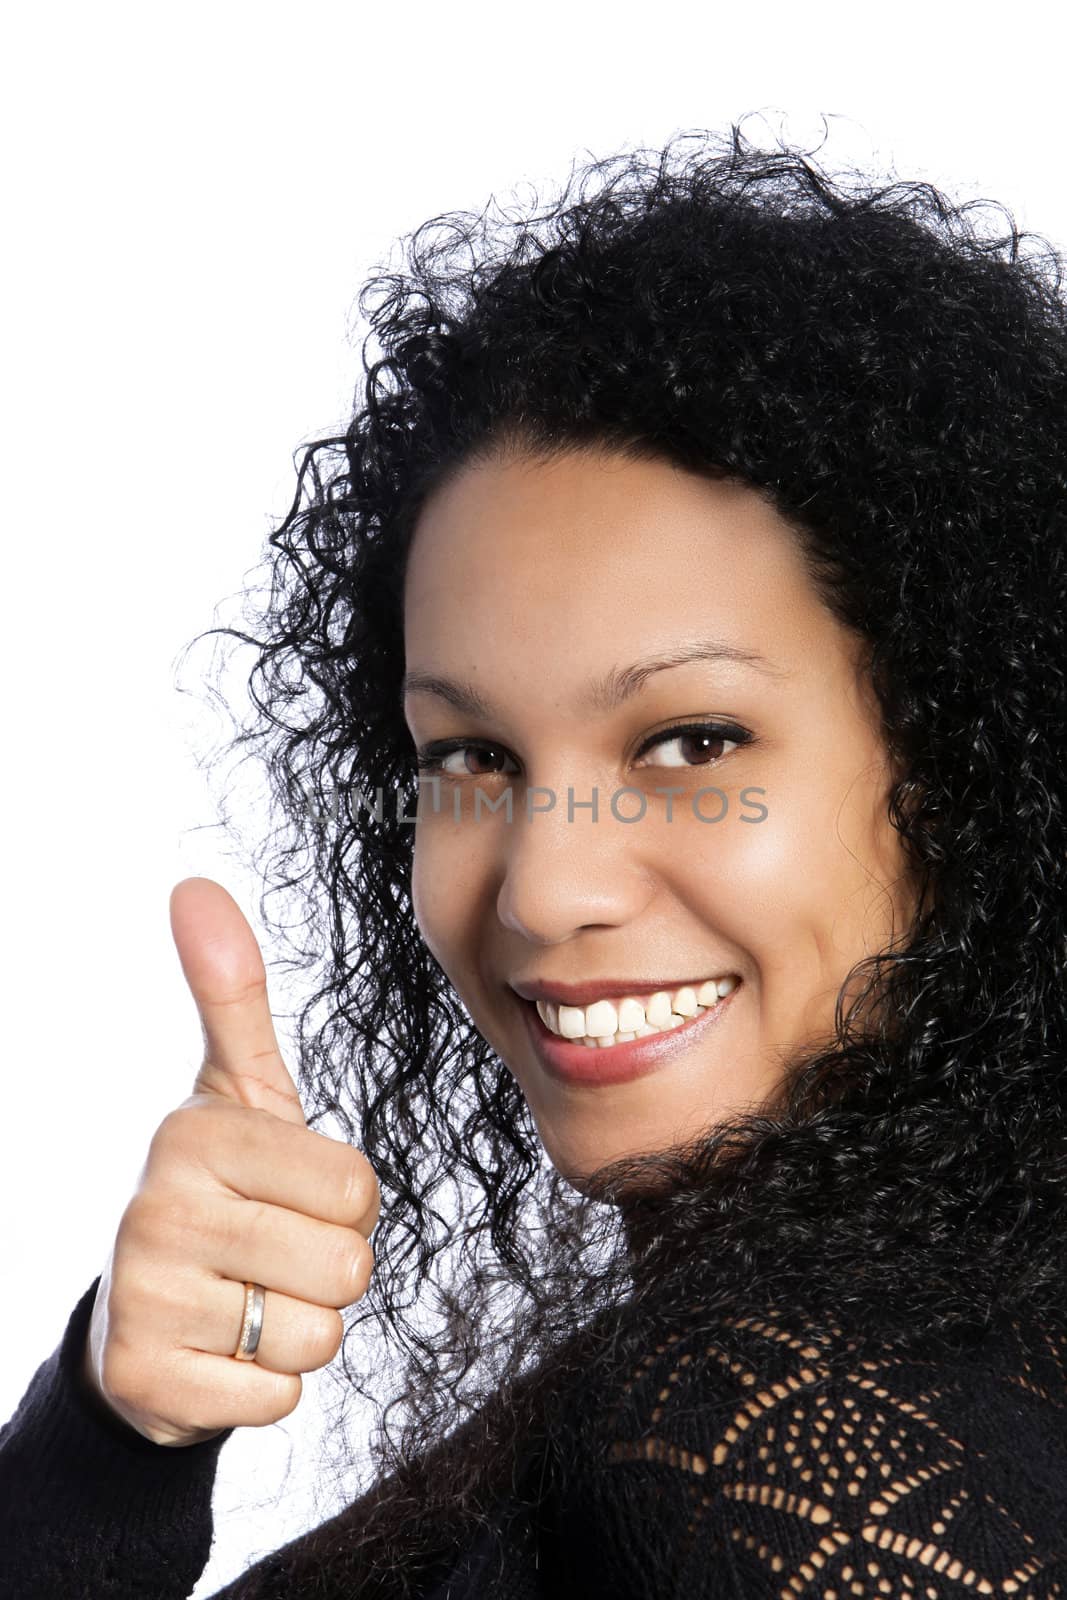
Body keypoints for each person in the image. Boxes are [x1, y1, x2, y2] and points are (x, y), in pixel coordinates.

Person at [3, 117, 1067, 1598]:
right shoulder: (838, 1341)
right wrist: (121, 1436)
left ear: (966, 759)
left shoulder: (762, 1425)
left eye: (693, 743)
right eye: (474, 758)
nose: (544, 891)